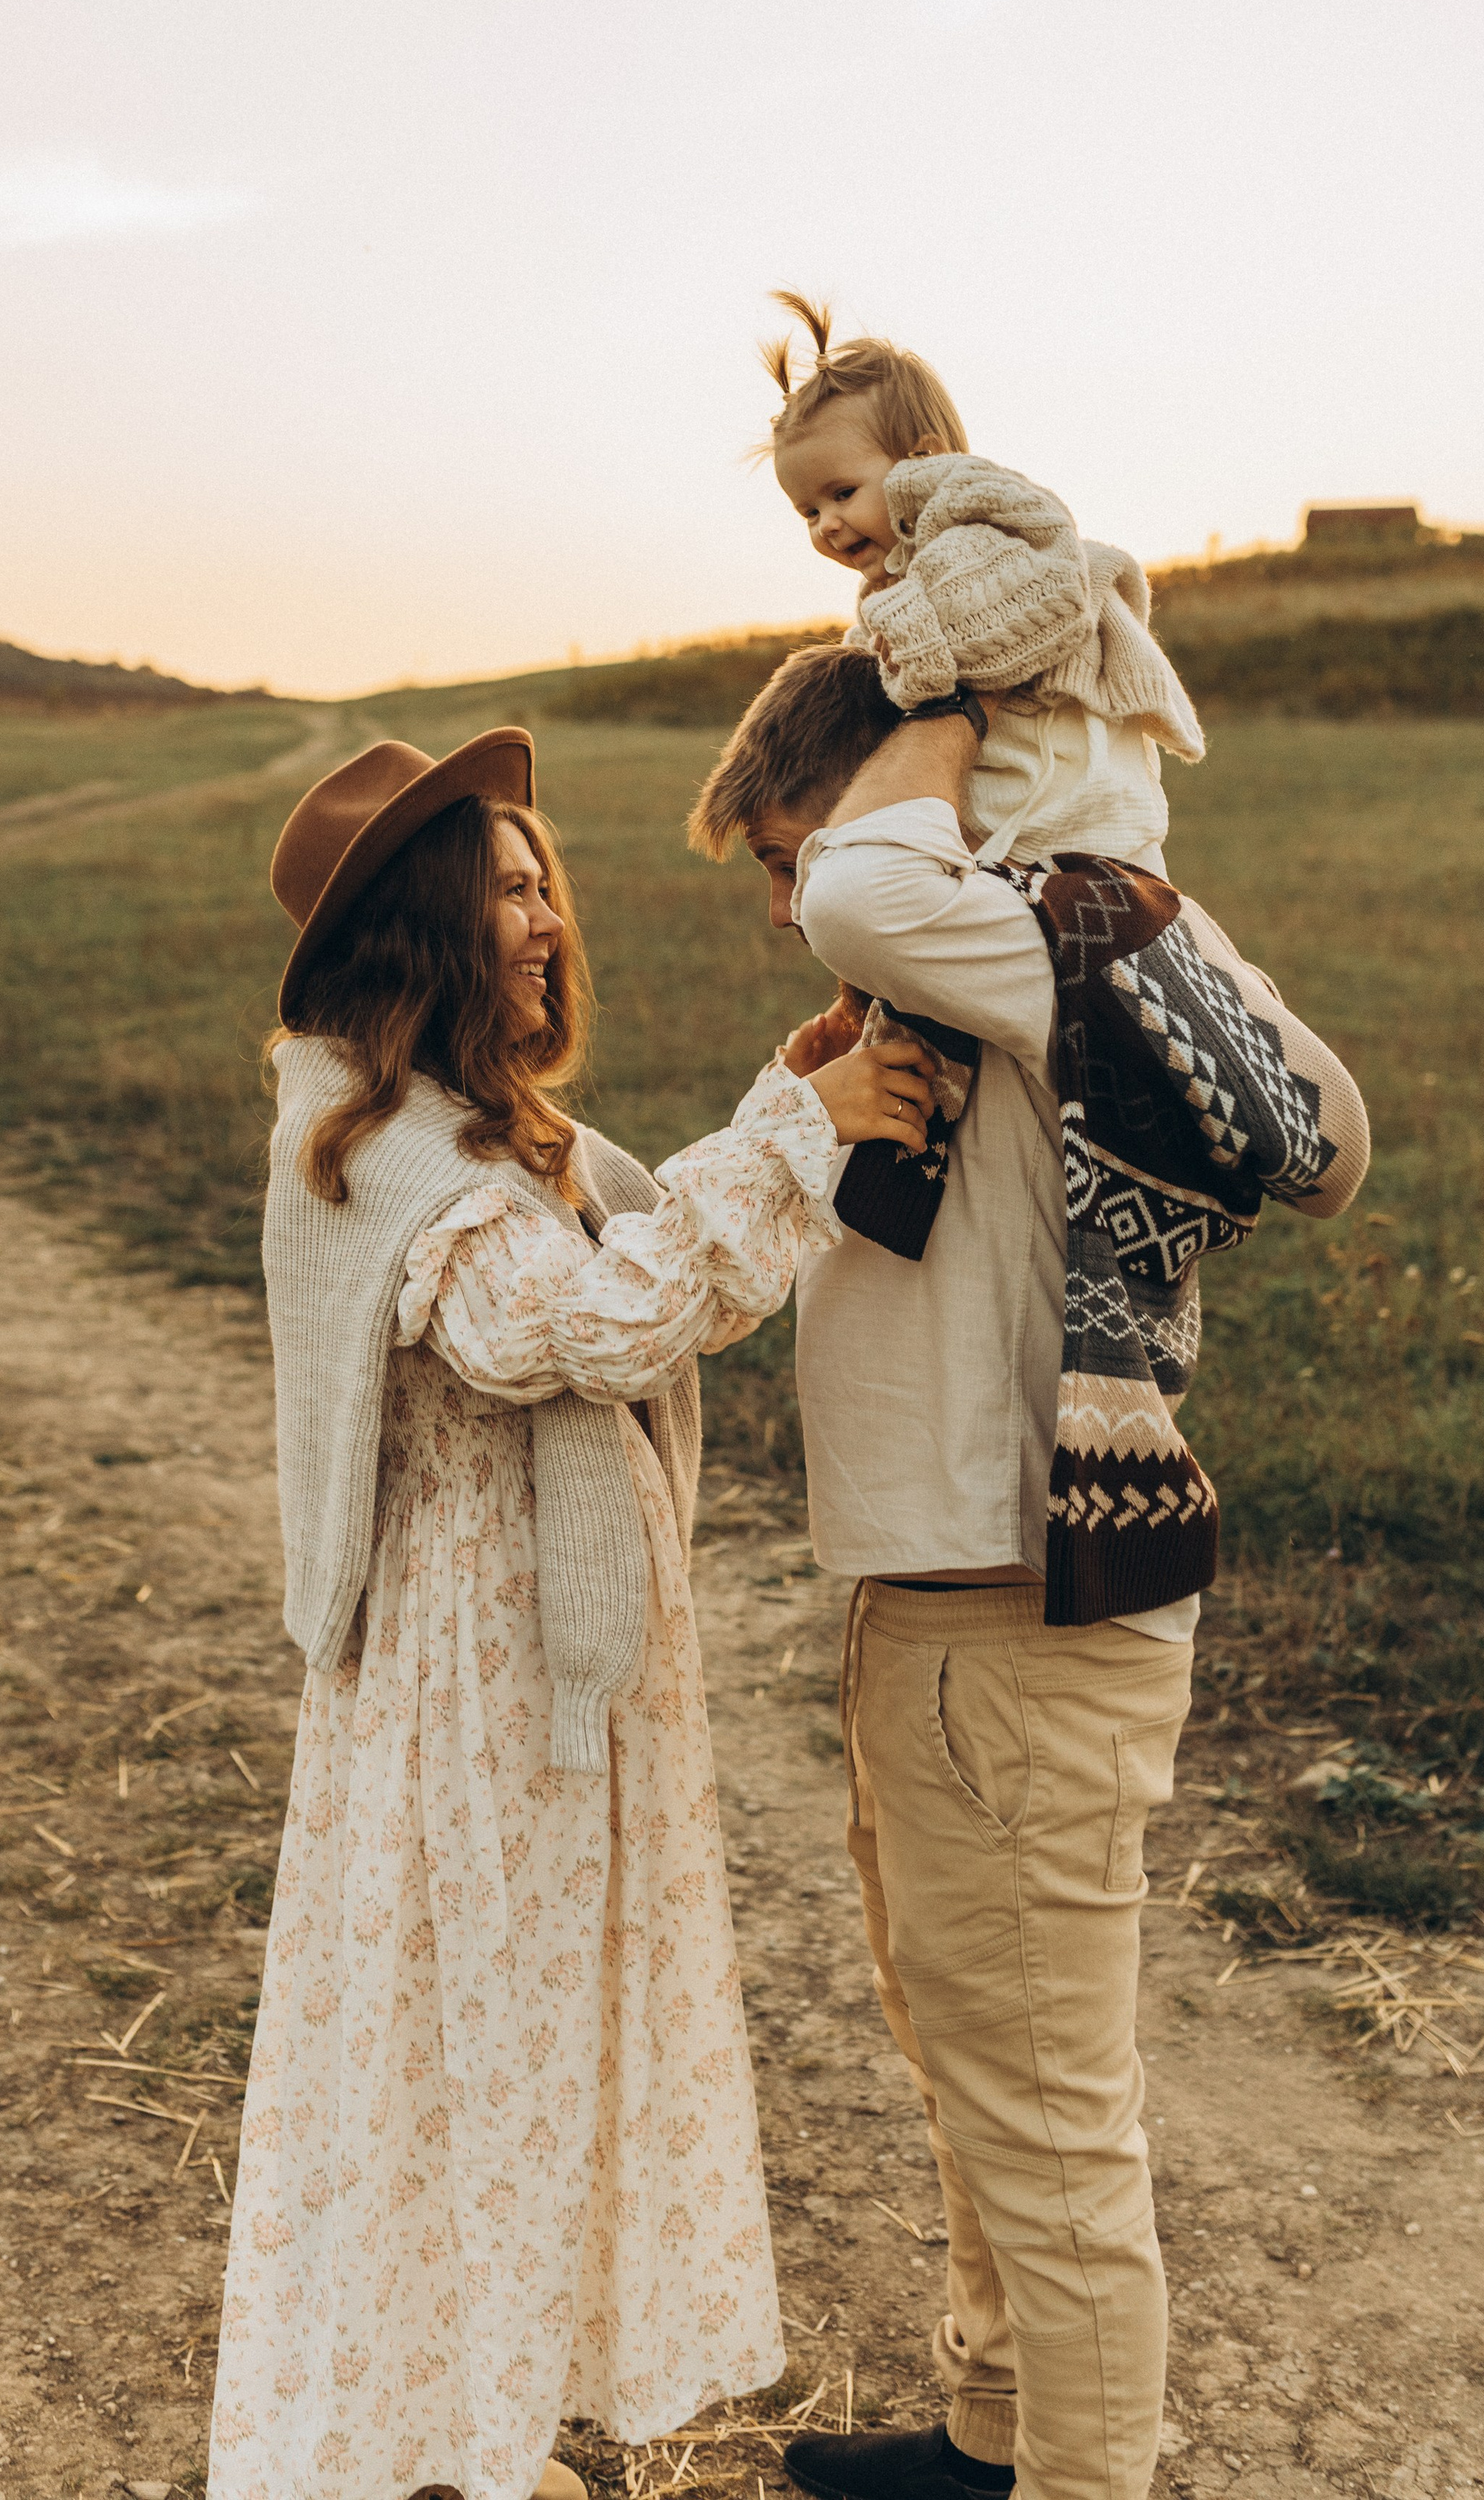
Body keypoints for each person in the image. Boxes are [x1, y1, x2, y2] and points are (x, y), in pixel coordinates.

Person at [208, 729, 936, 2500]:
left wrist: (788, 1095)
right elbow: (581, 1324)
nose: (550, 914)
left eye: (547, 878)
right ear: (430, 924)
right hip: (474, 1667)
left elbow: (647, 1248)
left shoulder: (477, 1125)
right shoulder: (373, 1146)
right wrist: (788, 1133)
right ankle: (439, 2437)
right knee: (481, 2049)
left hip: (547, 1653)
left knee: (527, 2046)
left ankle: (484, 2418)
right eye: (512, 884)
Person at [690, 654, 1370, 2500]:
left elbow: (1325, 1132)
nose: (783, 907)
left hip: (1015, 1614)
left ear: (904, 820)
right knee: (966, 2042)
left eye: (790, 853)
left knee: (1050, 2119)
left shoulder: (1027, 948)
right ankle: (989, 2430)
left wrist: (954, 784)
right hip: (945, 1605)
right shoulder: (1001, 972)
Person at [760, 293, 1203, 872]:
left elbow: (1026, 605)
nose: (829, 526)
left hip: (1090, 822)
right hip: (1020, 828)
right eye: (809, 513)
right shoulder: (897, 584)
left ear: (922, 458)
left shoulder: (981, 527)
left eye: (842, 494)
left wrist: (904, 649)